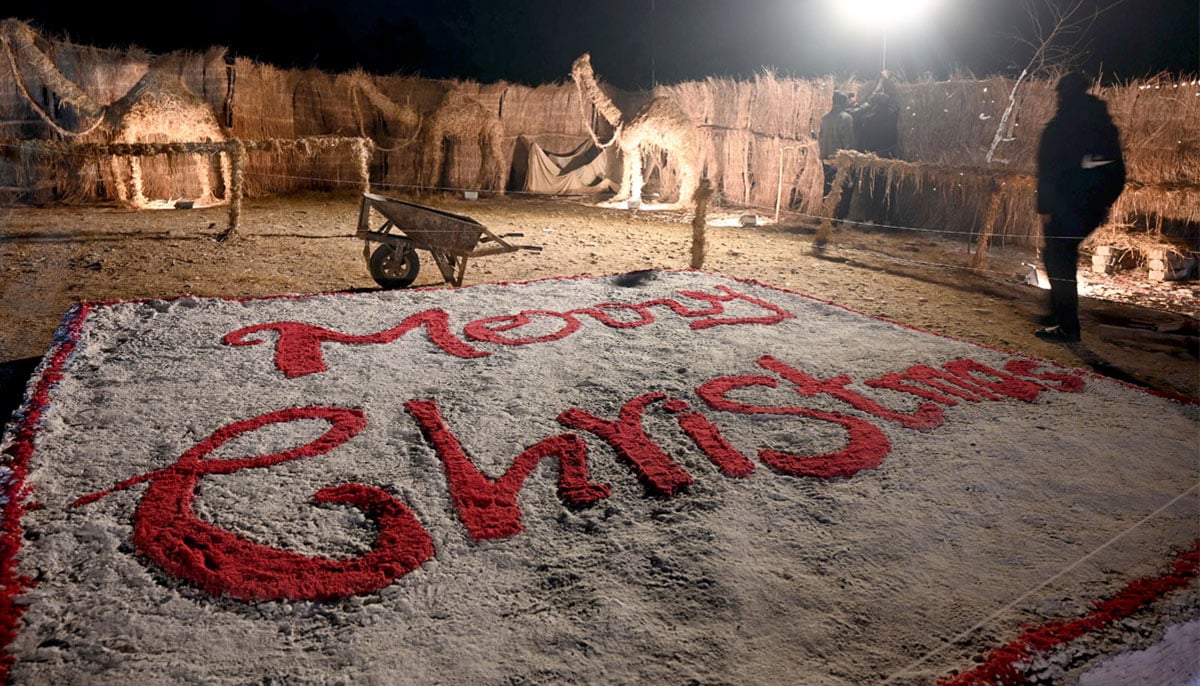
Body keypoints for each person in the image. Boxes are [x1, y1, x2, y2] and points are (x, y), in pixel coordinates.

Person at [1034, 71, 1126, 343]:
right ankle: (1058, 313)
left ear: (1064, 95)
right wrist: (1102, 203)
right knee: (1057, 257)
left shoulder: (1063, 127)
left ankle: (1067, 327)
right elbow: (1116, 173)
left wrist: (1047, 207)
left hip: (1066, 207)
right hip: (1088, 207)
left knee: (1060, 259)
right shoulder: (1103, 127)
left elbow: (1049, 171)